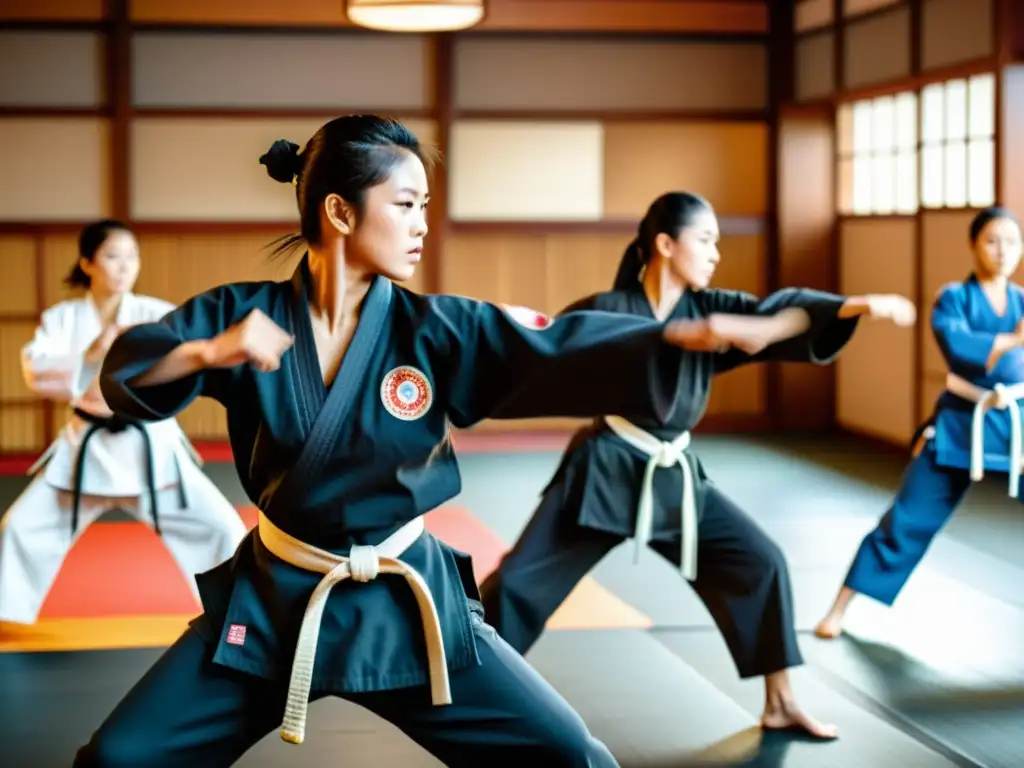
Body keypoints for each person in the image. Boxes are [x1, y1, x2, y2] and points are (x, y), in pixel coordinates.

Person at [73, 118, 861, 768]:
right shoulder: (238, 317)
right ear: (341, 213)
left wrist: (734, 328)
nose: (422, 225)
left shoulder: (435, 329)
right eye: (407, 204)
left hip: (408, 601)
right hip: (279, 600)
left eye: (425, 205)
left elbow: (562, 344)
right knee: (120, 759)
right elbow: (129, 372)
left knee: (571, 758)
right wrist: (204, 355)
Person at [477, 191, 918, 741]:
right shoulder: (610, 308)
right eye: (705, 240)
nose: (715, 254)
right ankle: (468, 689)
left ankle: (780, 702)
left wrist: (856, 305)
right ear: (665, 244)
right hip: (605, 470)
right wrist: (675, 336)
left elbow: (779, 312)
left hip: (673, 477)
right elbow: (554, 348)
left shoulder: (713, 307)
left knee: (760, 563)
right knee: (519, 584)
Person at [0, 220, 247, 627]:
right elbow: (36, 368)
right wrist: (92, 351)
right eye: (113, 256)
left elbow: (187, 360)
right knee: (19, 529)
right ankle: (7, 624)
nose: (124, 266)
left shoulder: (154, 313)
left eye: (132, 257)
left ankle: (240, 619)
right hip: (86, 452)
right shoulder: (62, 318)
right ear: (87, 263)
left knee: (223, 528)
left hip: (149, 447)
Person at [815, 206, 1024, 639]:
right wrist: (1012, 340)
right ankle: (839, 607)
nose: (1002, 251)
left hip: (1018, 423)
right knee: (909, 516)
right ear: (973, 245)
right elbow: (960, 347)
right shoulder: (953, 298)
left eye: (1012, 241)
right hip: (961, 422)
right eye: (992, 240)